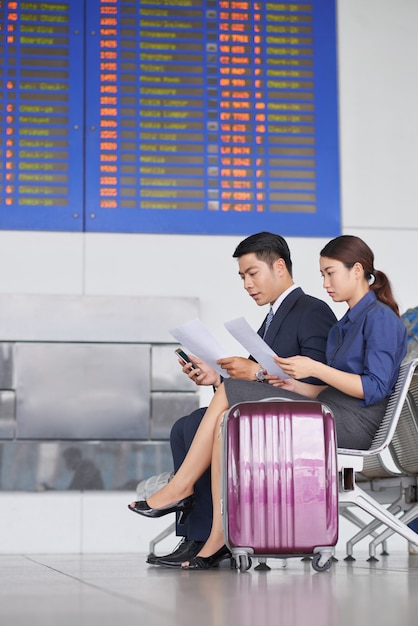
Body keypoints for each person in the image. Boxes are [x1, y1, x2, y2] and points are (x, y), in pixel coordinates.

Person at [129, 235, 408, 570]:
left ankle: (181, 489)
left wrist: (313, 369)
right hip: (329, 412)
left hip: (350, 424)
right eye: (322, 274)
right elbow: (326, 390)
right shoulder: (347, 323)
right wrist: (292, 383)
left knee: (231, 396)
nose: (325, 283)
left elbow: (373, 388)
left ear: (357, 270)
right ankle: (217, 534)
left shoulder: (380, 318)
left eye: (330, 273)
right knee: (224, 419)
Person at [148, 231, 337, 567]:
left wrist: (253, 374)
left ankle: (198, 515)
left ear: (279, 267)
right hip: (264, 409)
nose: (247, 284)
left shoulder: (311, 310)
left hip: (296, 420)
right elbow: (252, 376)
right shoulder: (273, 317)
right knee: (185, 427)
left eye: (253, 274)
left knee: (202, 424)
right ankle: (198, 537)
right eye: (242, 277)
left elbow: (318, 377)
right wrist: (216, 377)